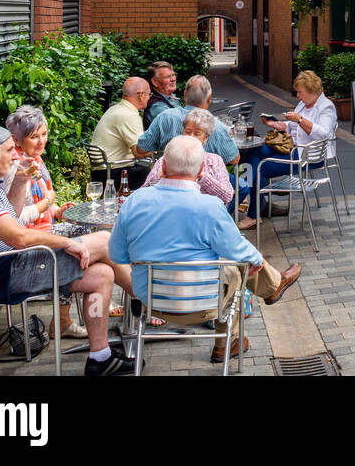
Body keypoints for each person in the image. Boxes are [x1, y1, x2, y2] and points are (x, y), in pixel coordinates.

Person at [0, 125, 138, 376]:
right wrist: (67, 243)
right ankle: (145, 297)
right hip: (0, 273)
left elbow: (13, 221)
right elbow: (19, 238)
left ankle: (100, 357)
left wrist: (21, 181)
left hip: (0, 266)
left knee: (102, 275)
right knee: (105, 241)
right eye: (9, 150)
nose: (15, 155)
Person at [108, 136, 302, 363]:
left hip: (152, 303)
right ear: (201, 170)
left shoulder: (134, 201)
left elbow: (116, 255)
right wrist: (255, 259)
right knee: (235, 265)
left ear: (162, 166)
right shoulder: (210, 207)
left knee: (232, 262)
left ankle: (268, 293)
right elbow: (237, 249)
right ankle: (232, 337)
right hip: (205, 303)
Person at [5, 105, 85, 339]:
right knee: (78, 245)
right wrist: (46, 203)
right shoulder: (16, 167)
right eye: (34, 137)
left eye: (44, 134)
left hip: (45, 227)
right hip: (28, 240)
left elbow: (46, 199)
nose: (41, 141)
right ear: (17, 141)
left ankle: (70, 314)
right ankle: (66, 318)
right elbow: (16, 216)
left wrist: (58, 210)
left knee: (83, 232)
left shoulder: (36, 160)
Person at [253, 69, 336, 218]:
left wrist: (299, 119)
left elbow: (324, 133)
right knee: (257, 153)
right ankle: (261, 203)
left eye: (300, 92)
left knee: (261, 168)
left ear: (313, 91)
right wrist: (278, 125)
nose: (298, 95)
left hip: (309, 155)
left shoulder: (326, 107)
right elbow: (294, 127)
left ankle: (254, 212)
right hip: (293, 148)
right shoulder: (304, 104)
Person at [143, 108, 243, 222]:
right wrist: (160, 178)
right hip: (170, 219)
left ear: (206, 138)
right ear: (182, 132)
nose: (191, 137)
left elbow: (227, 196)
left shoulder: (214, 161)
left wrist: (203, 177)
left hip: (206, 219)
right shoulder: (166, 159)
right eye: (188, 131)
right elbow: (145, 191)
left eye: (197, 133)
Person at [135, 74, 238, 164]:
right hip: (203, 183)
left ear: (185, 95)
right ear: (209, 98)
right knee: (244, 186)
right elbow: (234, 159)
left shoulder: (164, 117)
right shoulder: (217, 126)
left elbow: (141, 149)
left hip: (169, 179)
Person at [91, 77, 152, 189]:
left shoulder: (115, 109)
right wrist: (160, 147)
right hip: (113, 174)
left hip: (102, 172)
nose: (149, 98)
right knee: (153, 173)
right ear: (141, 95)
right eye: (149, 94)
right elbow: (139, 152)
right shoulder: (128, 115)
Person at [145, 62, 184, 127]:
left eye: (173, 75)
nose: (173, 79)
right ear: (155, 82)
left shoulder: (170, 97)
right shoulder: (157, 107)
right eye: (168, 77)